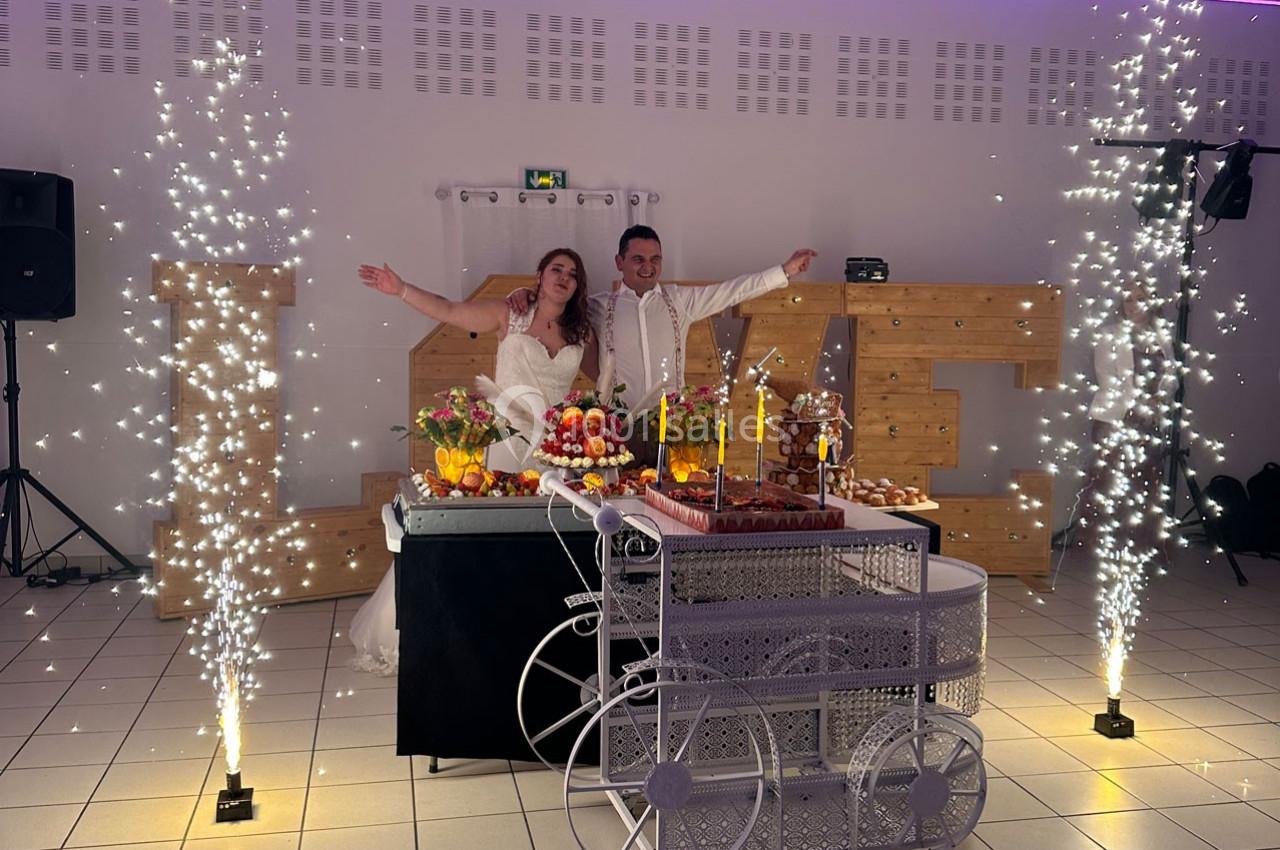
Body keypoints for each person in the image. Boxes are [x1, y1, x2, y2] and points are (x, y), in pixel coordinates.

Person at [349, 248, 592, 674]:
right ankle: (459, 632)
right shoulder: (509, 314)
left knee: (544, 545)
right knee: (488, 541)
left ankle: (528, 635)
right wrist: (400, 288)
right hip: (506, 442)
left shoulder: (581, 330)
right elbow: (449, 310)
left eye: (573, 274)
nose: (564, 278)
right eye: (557, 269)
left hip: (555, 450)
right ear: (539, 274)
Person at [509, 225, 816, 460]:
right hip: (617, 428)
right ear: (620, 262)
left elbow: (732, 290)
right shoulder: (598, 307)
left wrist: (784, 271)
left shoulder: (680, 301)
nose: (648, 266)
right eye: (638, 258)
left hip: (673, 430)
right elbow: (557, 303)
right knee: (622, 509)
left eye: (655, 259)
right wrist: (526, 293)